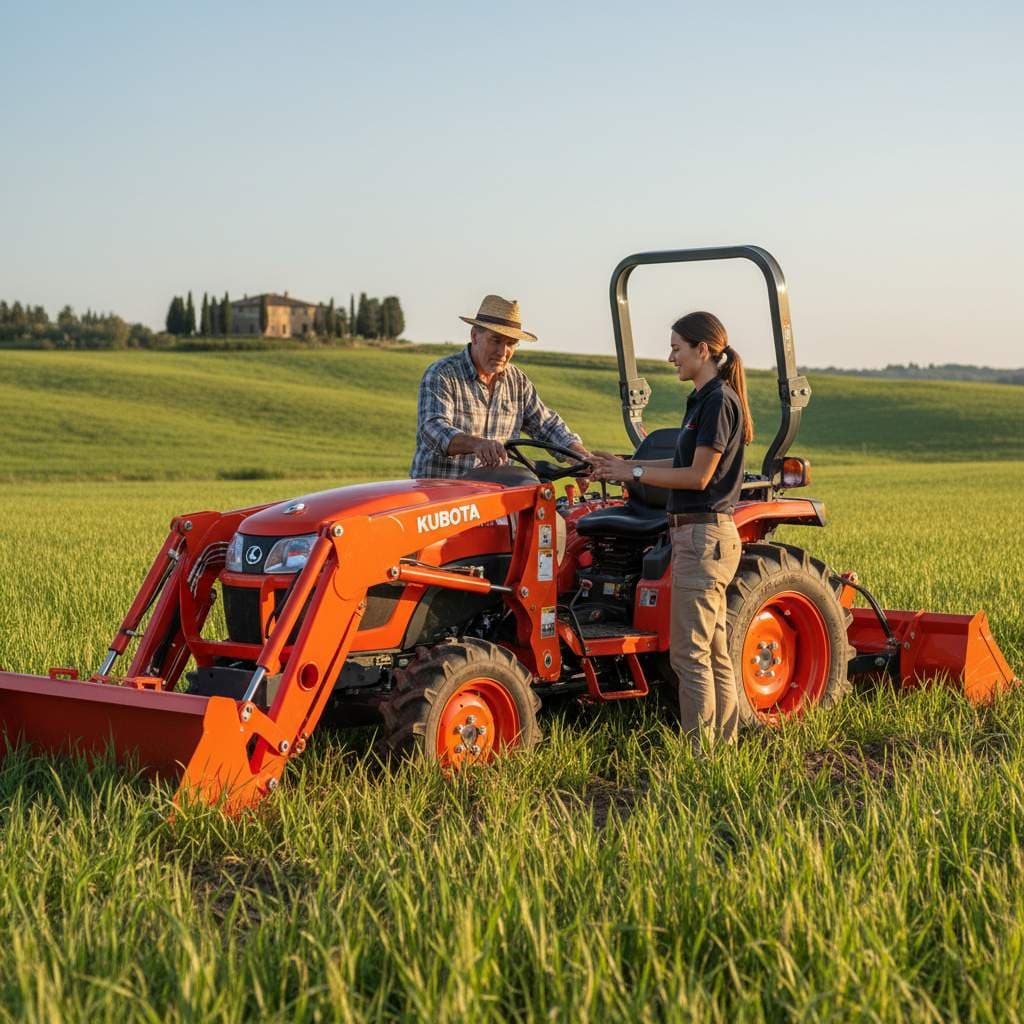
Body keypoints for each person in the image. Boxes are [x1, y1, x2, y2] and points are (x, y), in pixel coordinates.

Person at [590, 312, 753, 753]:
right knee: (714, 650)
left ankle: (699, 754)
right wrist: (627, 468)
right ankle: (723, 747)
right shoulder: (702, 400)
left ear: (703, 350)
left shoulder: (719, 401)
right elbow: (679, 465)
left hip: (702, 538)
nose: (670, 357)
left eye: (677, 348)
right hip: (700, 537)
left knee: (689, 654)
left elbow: (699, 477)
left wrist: (638, 469)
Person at [410, 294, 591, 481]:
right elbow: (433, 428)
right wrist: (477, 444)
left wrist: (581, 457)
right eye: (495, 340)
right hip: (440, 495)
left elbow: (548, 426)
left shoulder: (518, 382)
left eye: (511, 343)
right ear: (475, 336)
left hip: (493, 495)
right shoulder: (442, 374)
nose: (503, 352)